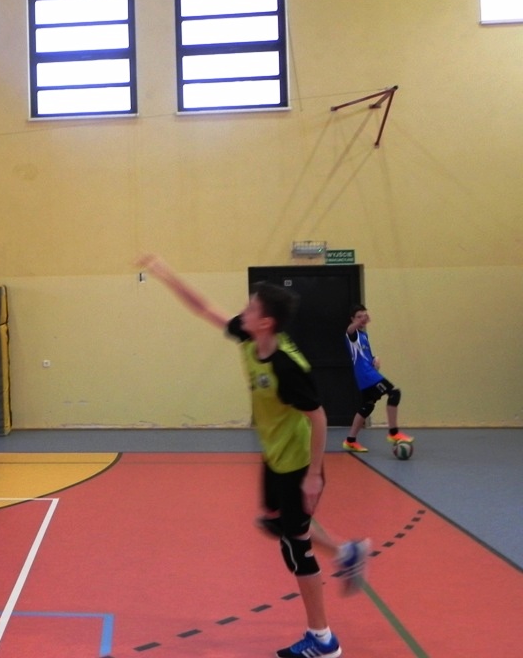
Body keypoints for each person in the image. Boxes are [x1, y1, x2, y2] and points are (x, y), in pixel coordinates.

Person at [137, 253, 369, 658]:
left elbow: (318, 417)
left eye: (251, 309)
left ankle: (323, 640)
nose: (242, 313)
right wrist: (165, 273)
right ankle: (346, 552)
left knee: (296, 546)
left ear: (266, 323)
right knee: (275, 523)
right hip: (274, 456)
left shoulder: (287, 366)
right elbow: (204, 307)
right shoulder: (249, 338)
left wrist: (314, 475)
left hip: (297, 464)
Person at [342, 305, 413, 453]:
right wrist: (357, 323)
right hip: (367, 375)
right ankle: (393, 433)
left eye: (364, 315)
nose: (362, 319)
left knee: (367, 406)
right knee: (394, 393)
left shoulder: (364, 336)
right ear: (352, 319)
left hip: (367, 374)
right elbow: (349, 330)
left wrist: (374, 359)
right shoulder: (353, 335)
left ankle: (350, 441)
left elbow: (364, 356)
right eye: (358, 317)